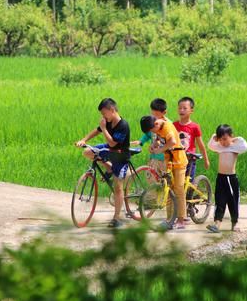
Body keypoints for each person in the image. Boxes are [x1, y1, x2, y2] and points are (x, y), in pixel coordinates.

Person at [75, 98, 131, 228]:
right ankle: (109, 168)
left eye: (104, 113)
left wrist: (104, 128)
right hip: (109, 150)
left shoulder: (123, 125)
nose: (103, 117)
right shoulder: (107, 120)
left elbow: (112, 143)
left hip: (120, 156)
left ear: (112, 110)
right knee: (88, 152)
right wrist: (84, 140)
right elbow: (97, 130)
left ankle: (117, 218)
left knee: (118, 187)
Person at [140, 115, 188, 229]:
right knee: (168, 189)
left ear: (156, 124)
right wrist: (153, 145)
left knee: (178, 189)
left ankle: (182, 220)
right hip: (169, 162)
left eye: (152, 130)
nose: (153, 132)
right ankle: (169, 220)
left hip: (178, 161)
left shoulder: (167, 127)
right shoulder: (157, 127)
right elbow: (158, 139)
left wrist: (160, 149)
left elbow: (172, 141)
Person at [205, 124, 247, 233]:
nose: (223, 142)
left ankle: (234, 223)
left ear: (231, 136)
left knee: (233, 202)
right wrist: (214, 137)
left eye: (225, 139)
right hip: (221, 178)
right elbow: (210, 145)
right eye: (220, 140)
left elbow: (246, 147)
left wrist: (235, 139)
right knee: (219, 201)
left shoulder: (235, 147)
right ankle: (217, 224)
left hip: (231, 179)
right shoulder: (219, 147)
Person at [174, 97, 210, 181]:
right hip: (177, 158)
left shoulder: (194, 127)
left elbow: (201, 145)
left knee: (188, 183)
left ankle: (189, 193)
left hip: (189, 159)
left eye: (185, 108)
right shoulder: (174, 125)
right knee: (175, 182)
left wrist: (206, 160)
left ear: (191, 111)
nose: (181, 110)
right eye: (180, 108)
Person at [131, 98, 169, 173]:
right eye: (153, 114)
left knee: (164, 179)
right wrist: (141, 141)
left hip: (164, 157)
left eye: (156, 115)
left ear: (164, 112)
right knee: (152, 176)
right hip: (154, 156)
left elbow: (171, 141)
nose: (154, 118)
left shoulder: (167, 125)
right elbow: (148, 134)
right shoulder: (152, 124)